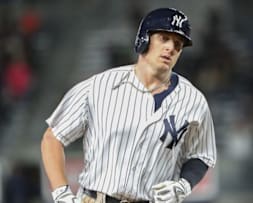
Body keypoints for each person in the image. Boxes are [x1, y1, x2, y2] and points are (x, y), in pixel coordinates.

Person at [41, 7, 217, 203]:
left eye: (178, 44)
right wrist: (61, 193)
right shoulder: (99, 86)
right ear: (144, 39)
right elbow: (52, 138)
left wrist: (183, 185)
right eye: (163, 38)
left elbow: (201, 155)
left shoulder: (193, 100)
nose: (171, 48)